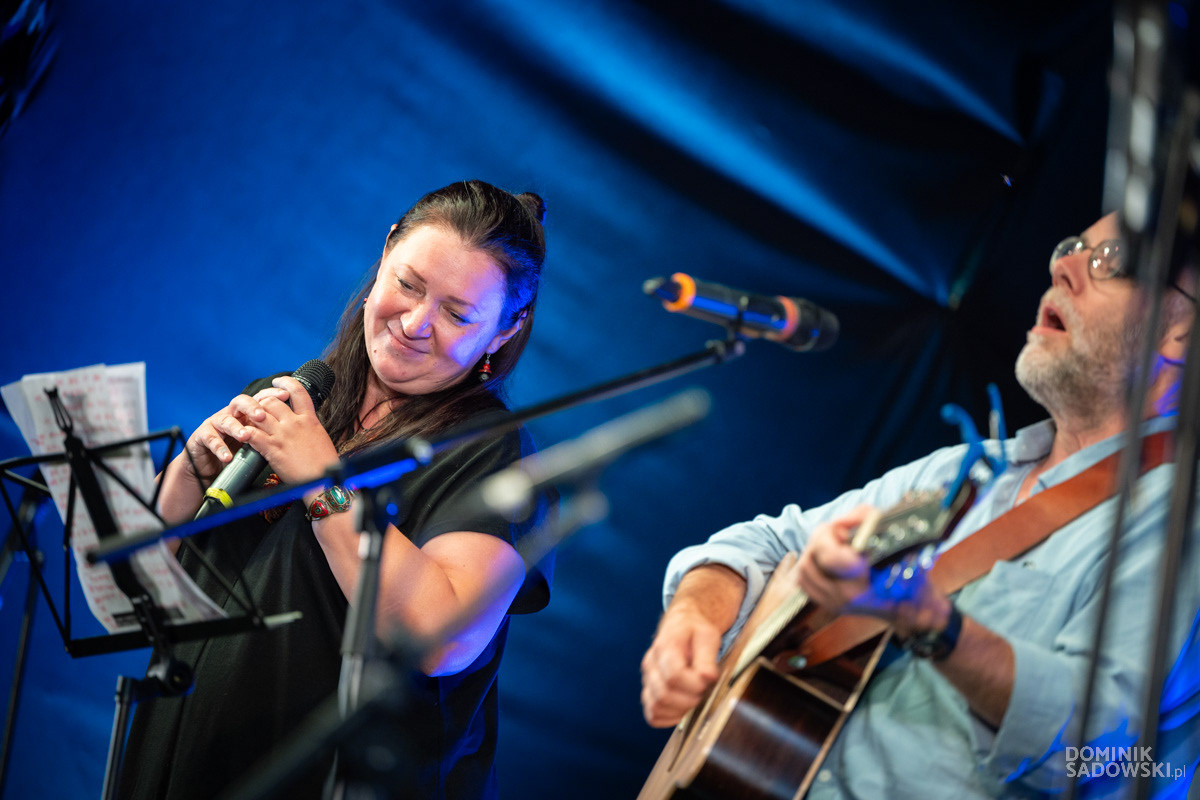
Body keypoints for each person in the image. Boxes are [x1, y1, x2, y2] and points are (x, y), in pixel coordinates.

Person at [640, 211, 1200, 798]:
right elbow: (766, 545)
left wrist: (930, 621)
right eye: (1072, 246)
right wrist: (693, 619)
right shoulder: (969, 471)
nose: (1063, 267)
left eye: (1111, 261)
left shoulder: (1178, 525)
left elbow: (1093, 748)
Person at [119, 180, 553, 800]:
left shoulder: (494, 452)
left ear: (506, 330)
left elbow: (443, 639)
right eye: (409, 284)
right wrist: (190, 470)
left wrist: (323, 483)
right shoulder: (291, 397)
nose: (415, 323)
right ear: (385, 252)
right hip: (181, 753)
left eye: (457, 314)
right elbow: (135, 579)